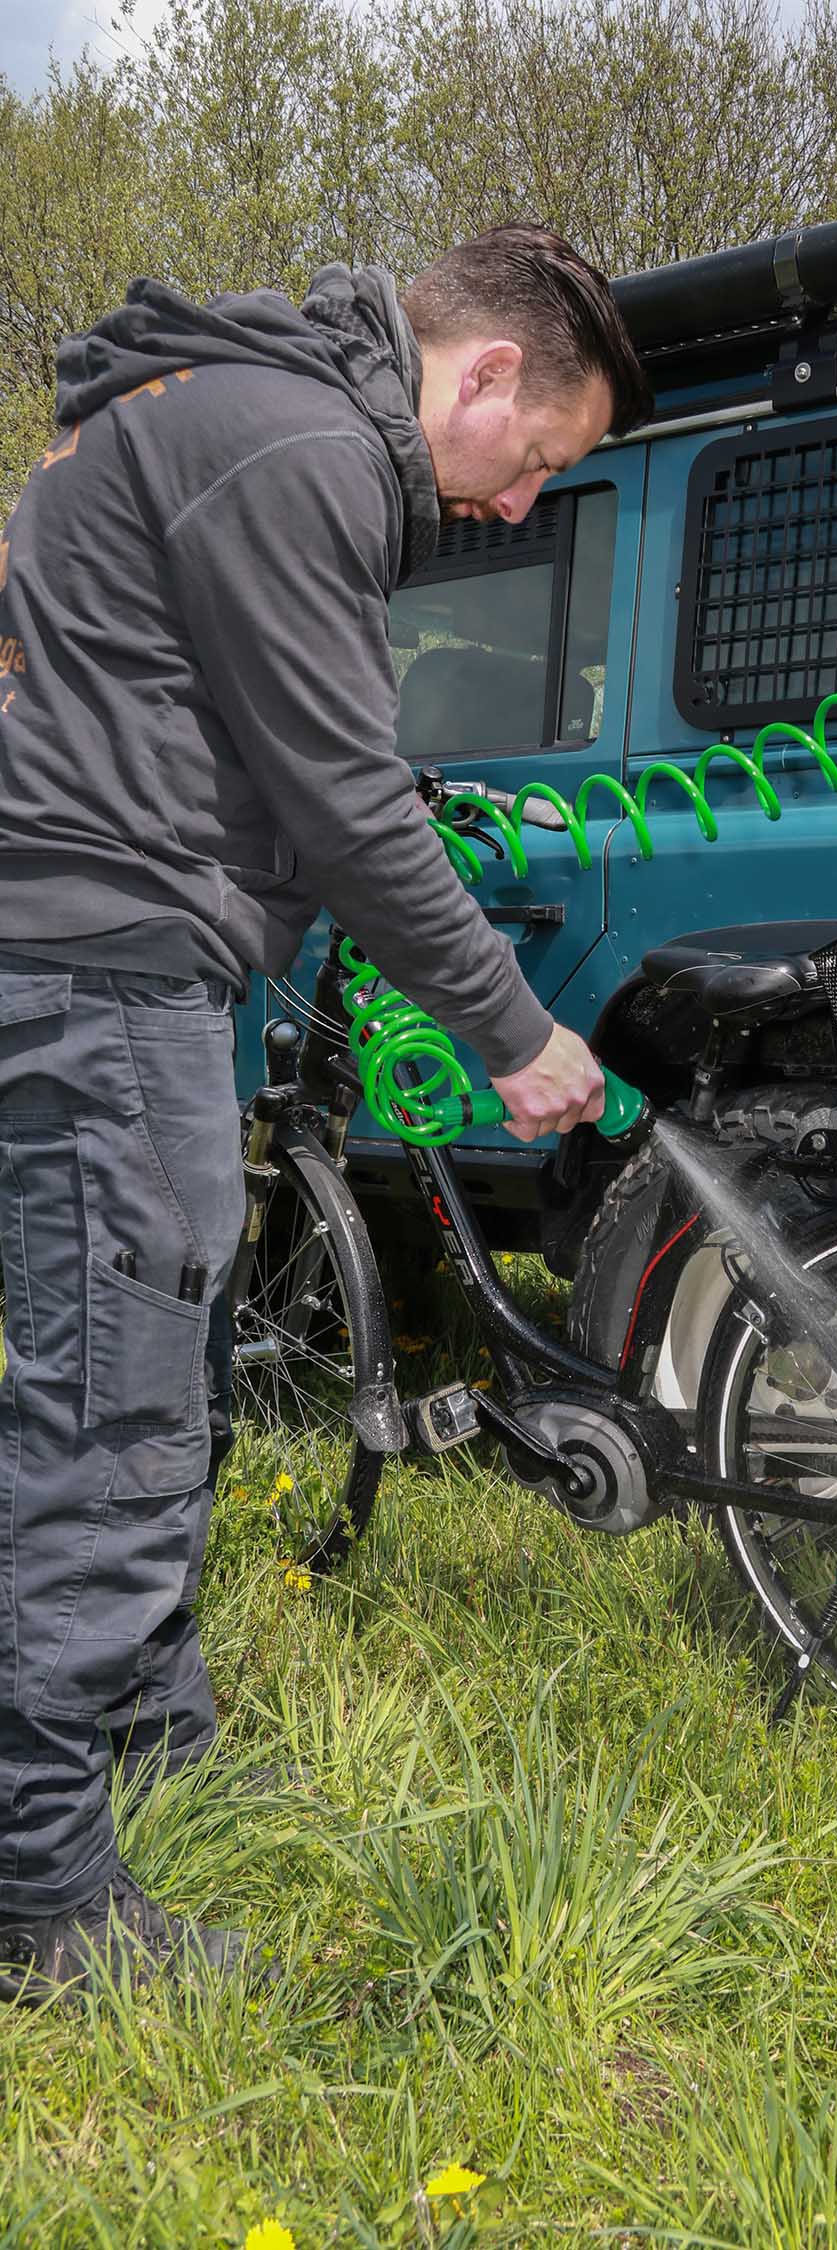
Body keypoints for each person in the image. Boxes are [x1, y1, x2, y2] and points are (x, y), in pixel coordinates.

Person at [0, 225, 652, 2002]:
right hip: (107, 959)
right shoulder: (298, 451)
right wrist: (514, 1031)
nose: (524, 509)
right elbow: (352, 802)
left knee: (168, 1366)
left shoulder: (233, 415)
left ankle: (155, 1732)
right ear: (489, 376)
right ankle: (37, 1895)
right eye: (541, 467)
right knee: (109, 1414)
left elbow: (272, 748)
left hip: (134, 956)